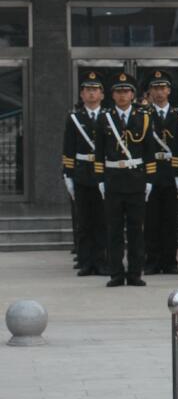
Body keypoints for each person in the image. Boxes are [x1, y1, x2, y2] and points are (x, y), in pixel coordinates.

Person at [97, 71, 153, 287]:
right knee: (114, 230)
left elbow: (149, 150)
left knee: (136, 230)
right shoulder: (105, 118)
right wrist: (100, 179)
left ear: (132, 95)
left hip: (136, 179)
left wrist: (149, 179)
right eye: (118, 92)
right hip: (113, 179)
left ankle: (135, 273)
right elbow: (99, 151)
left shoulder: (143, 118)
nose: (122, 95)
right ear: (112, 95)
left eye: (126, 91)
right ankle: (116, 273)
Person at [63, 71, 108, 276]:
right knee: (84, 221)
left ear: (102, 94)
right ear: (81, 94)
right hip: (81, 173)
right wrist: (68, 174)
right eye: (88, 90)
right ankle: (85, 262)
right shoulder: (74, 118)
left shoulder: (108, 117)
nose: (91, 93)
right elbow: (68, 148)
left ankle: (101, 261)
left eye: (95, 90)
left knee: (102, 220)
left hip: (103, 174)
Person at [142, 70, 178, 275]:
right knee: (151, 220)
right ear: (150, 91)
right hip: (151, 172)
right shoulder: (144, 115)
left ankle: (170, 261)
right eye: (155, 88)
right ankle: (152, 260)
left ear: (169, 90)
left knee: (170, 221)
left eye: (162, 88)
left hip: (171, 173)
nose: (159, 92)